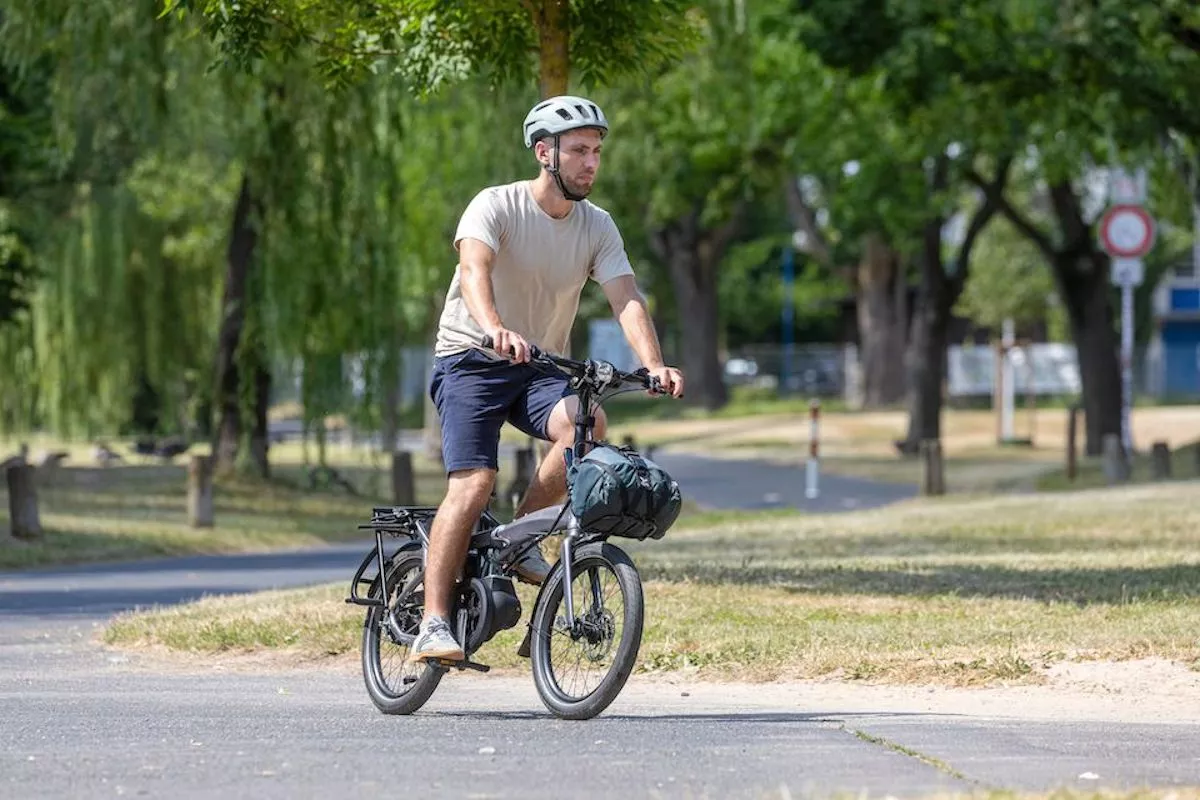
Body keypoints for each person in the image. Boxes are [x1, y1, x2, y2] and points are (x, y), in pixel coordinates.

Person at [411, 95, 685, 663]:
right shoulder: (495, 205)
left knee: (589, 424)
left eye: (597, 151)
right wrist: (494, 328)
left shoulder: (596, 225)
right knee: (473, 481)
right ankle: (433, 623)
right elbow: (474, 268)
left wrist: (654, 364)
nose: (592, 163)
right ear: (545, 152)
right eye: (580, 151)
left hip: (538, 366)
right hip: (471, 357)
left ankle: (520, 537)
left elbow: (626, 297)